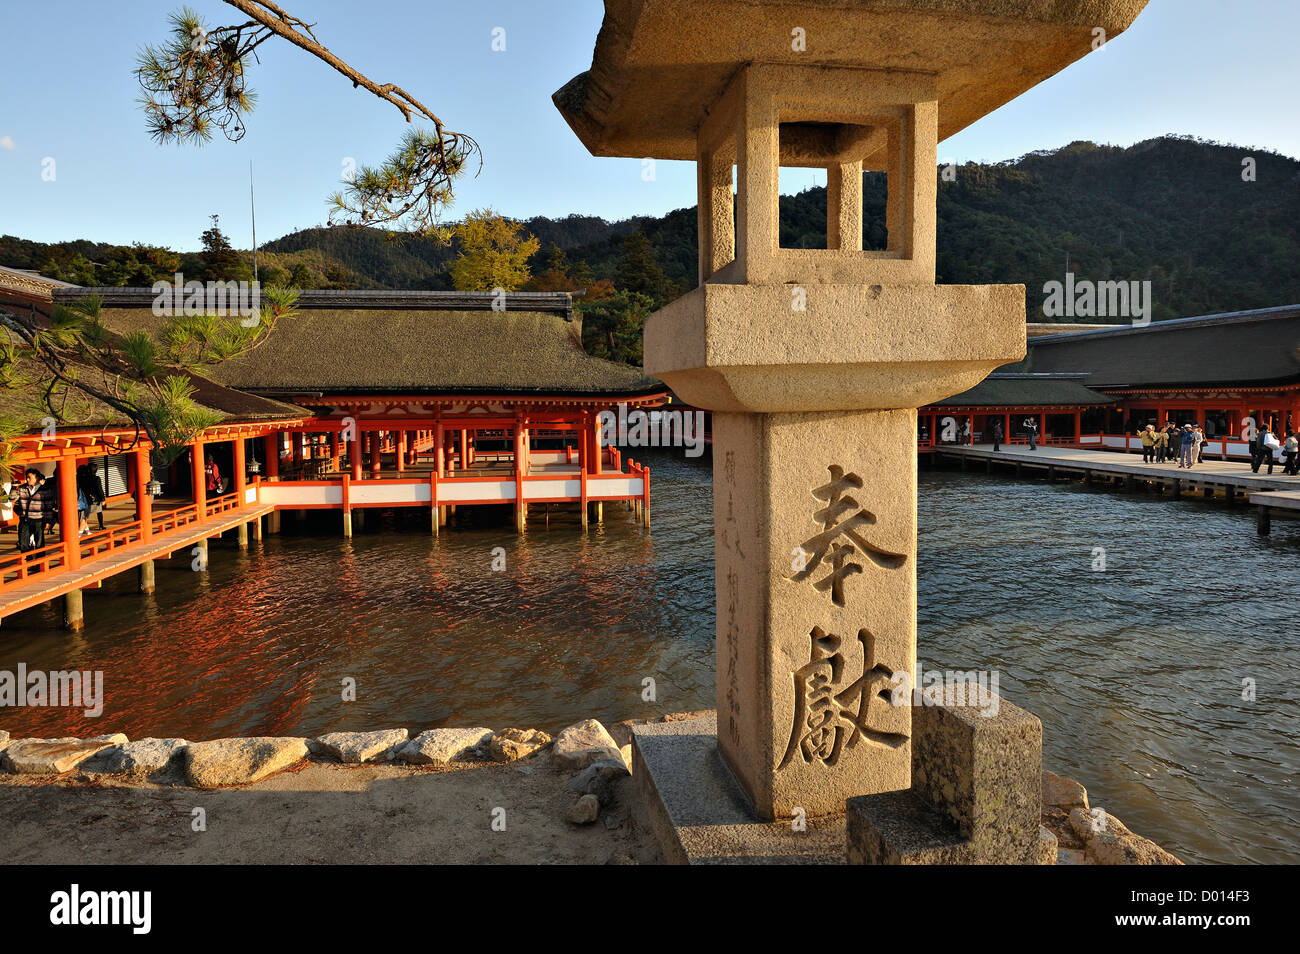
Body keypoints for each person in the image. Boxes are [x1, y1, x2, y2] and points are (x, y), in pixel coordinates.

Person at [14, 470, 46, 552]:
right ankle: (27, 563)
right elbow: (12, 498)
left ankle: (40, 562)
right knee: (23, 544)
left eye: (29, 477)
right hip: (25, 519)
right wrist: (13, 487)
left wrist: (49, 521)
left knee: (39, 543)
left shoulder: (44, 489)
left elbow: (49, 505)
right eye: (26, 477)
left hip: (39, 519)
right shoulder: (22, 488)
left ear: (37, 478)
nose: (27, 479)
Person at [77, 463, 107, 531]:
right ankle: (101, 526)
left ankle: (87, 532)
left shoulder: (82, 478)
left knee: (84, 517)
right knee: (99, 512)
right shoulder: (96, 478)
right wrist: (103, 499)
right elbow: (99, 489)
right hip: (95, 499)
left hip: (85, 499)